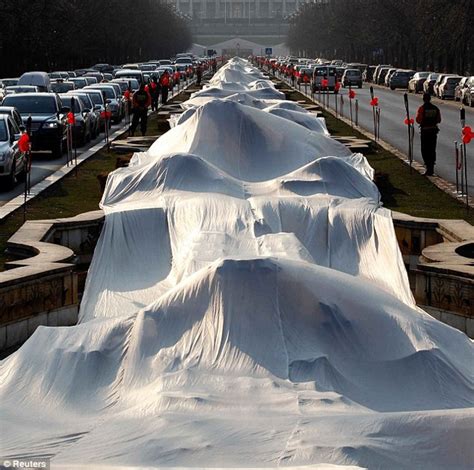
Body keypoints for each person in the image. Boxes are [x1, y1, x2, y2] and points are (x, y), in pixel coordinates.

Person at [416, 93, 441, 176]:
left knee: (425, 150)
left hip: (425, 131)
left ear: (423, 99)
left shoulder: (422, 108)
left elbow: (418, 120)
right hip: (433, 131)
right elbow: (439, 120)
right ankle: (431, 168)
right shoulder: (435, 108)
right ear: (430, 99)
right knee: (432, 149)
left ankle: (428, 168)